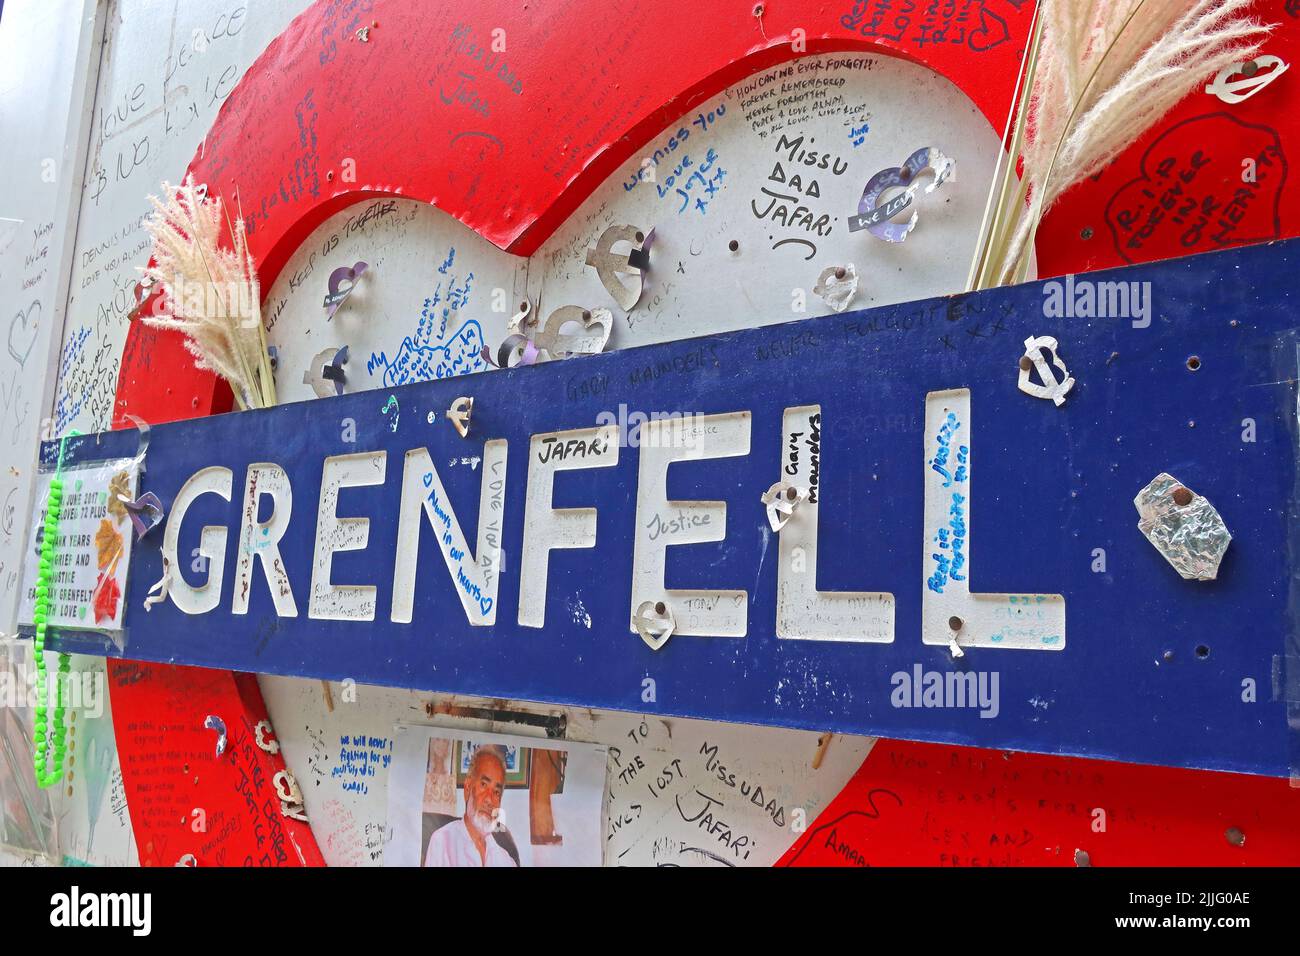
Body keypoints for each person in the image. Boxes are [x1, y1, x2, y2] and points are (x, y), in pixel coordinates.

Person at [424, 746, 517, 867]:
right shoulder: (443, 842)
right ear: (468, 788)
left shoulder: (506, 861)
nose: (489, 799)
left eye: (496, 792)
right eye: (483, 785)